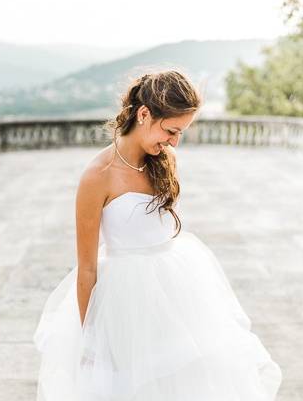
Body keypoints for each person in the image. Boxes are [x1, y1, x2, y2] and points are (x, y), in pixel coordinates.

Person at [33, 70, 282, 400]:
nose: (175, 142)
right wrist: (90, 337)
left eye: (181, 133)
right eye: (171, 130)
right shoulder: (97, 176)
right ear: (144, 114)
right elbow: (87, 268)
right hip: (124, 301)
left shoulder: (165, 160)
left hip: (178, 287)